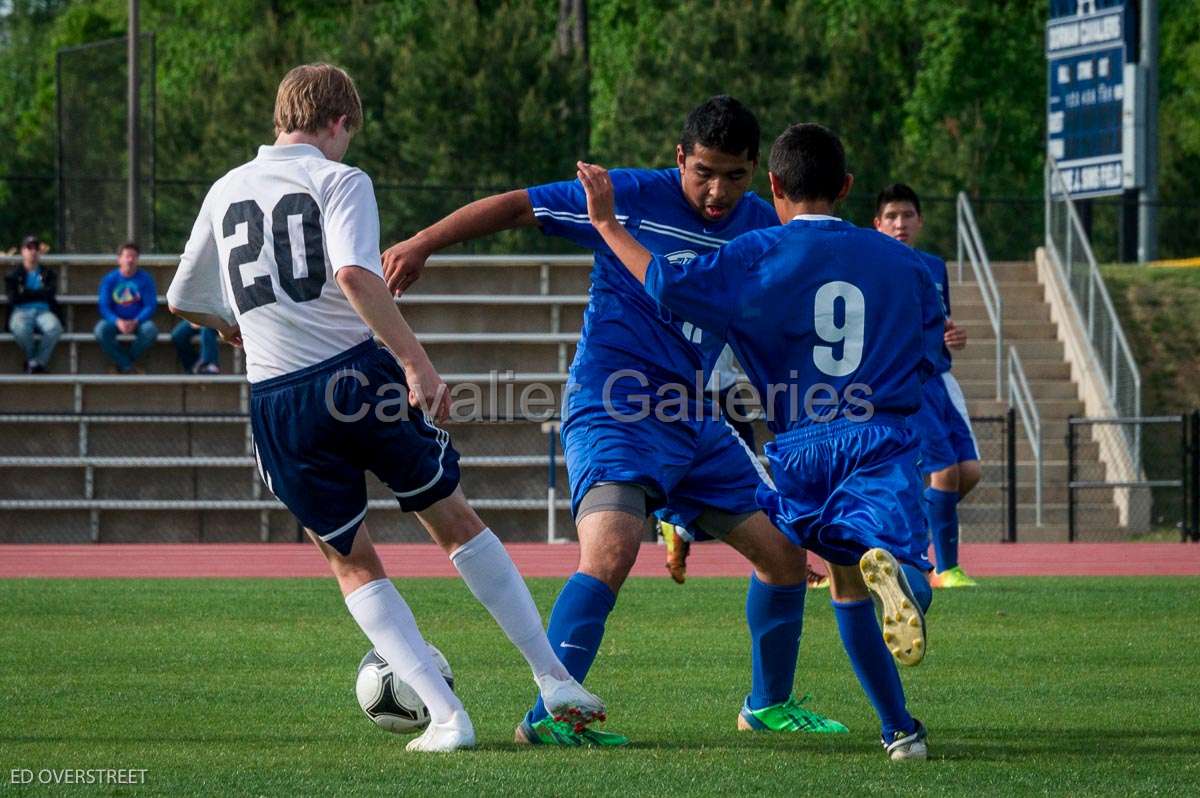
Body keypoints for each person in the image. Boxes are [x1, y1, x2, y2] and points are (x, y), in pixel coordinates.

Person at [166, 63, 605, 753]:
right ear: (338, 123)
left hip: (278, 395)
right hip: (355, 376)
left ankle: (447, 718)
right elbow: (352, 274)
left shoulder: (225, 190)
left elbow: (183, 299)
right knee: (454, 521)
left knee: (352, 561)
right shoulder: (339, 179)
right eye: (349, 134)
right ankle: (553, 679)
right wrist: (415, 361)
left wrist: (234, 327)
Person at [383, 97, 846, 746]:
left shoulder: (759, 227)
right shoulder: (626, 196)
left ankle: (766, 704)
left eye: (735, 176)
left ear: (756, 174)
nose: (718, 191)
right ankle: (548, 718)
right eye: (704, 172)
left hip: (693, 421)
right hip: (614, 405)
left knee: (784, 558)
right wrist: (422, 242)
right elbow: (520, 204)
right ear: (680, 158)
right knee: (611, 551)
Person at [575, 122, 945, 760]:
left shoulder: (756, 252)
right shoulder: (906, 264)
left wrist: (609, 226)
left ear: (773, 185)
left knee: (846, 576)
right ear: (848, 188)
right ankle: (906, 581)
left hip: (799, 447)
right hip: (875, 434)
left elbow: (665, 282)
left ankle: (900, 728)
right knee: (887, 565)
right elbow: (930, 350)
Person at [874, 183, 980, 588]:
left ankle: (904, 532)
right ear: (878, 224)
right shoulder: (876, 267)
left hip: (941, 379)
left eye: (907, 215)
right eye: (892, 217)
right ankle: (943, 569)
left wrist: (953, 337)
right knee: (945, 471)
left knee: (969, 472)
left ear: (919, 220)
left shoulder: (935, 266)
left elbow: (942, 323)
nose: (900, 223)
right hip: (909, 383)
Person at [94, 242, 158, 374]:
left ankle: (122, 363)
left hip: (138, 322)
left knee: (150, 330)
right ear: (119, 259)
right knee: (100, 330)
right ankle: (128, 365)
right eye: (127, 256)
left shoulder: (145, 279)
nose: (130, 260)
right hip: (115, 322)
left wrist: (136, 321)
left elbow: (150, 305)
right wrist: (117, 321)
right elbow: (104, 306)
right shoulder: (110, 279)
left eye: (134, 257)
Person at [5, 235, 62, 373]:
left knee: (54, 328)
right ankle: (33, 361)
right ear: (22, 251)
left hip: (44, 311)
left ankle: (36, 362)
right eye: (29, 248)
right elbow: (14, 298)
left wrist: (25, 292)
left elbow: (50, 293)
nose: (33, 251)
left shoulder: (49, 273)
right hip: (21, 311)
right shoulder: (13, 274)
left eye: (36, 248)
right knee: (20, 328)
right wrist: (38, 293)